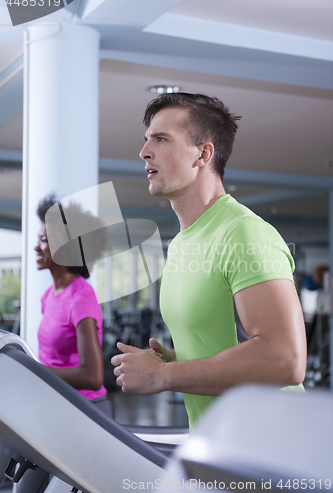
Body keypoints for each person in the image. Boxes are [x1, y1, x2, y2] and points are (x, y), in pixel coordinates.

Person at [111, 93, 307, 430]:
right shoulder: (183, 242)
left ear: (203, 153)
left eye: (160, 139)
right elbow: (227, 347)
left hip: (277, 447)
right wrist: (180, 363)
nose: (144, 152)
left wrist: (164, 376)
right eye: (147, 140)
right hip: (220, 442)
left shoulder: (243, 232)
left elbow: (284, 359)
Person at [16, 195, 112, 493]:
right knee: (25, 488)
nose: (36, 246)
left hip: (86, 412)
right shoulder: (50, 296)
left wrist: (35, 372)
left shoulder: (81, 296)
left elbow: (93, 375)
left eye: (44, 240)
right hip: (56, 408)